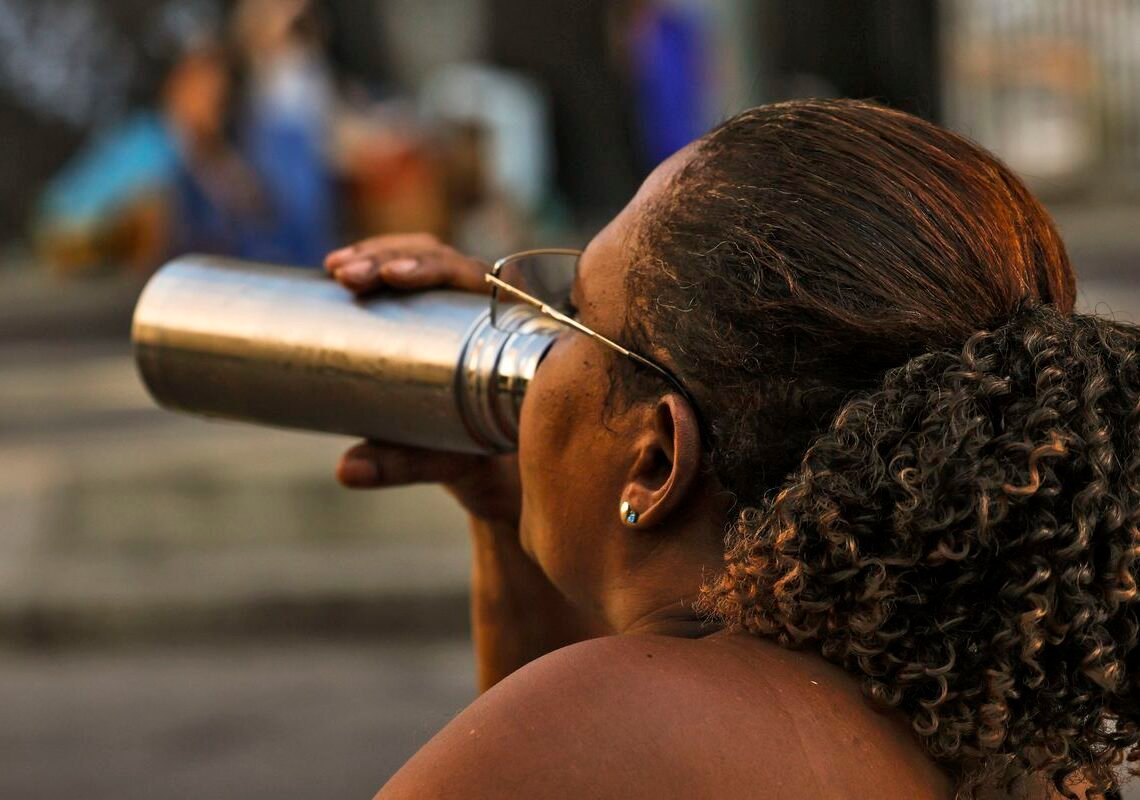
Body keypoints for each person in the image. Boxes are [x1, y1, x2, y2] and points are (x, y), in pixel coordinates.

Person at [324, 99, 1140, 799]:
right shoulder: (1031, 760)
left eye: (572, 313)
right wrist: (513, 515)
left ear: (654, 459)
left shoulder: (615, 724)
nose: (539, 350)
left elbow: (584, 744)